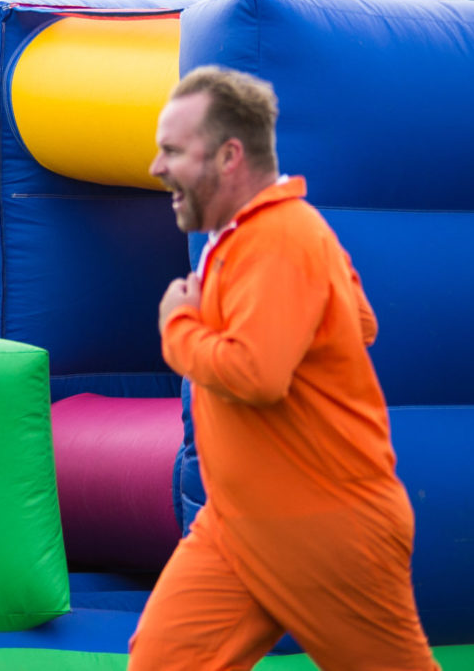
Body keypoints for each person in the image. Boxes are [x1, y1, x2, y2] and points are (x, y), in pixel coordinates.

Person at [131, 66, 436, 670]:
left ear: (229, 156)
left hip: (327, 530)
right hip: (239, 527)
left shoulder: (281, 237)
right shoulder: (261, 234)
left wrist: (179, 325)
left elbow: (257, 374)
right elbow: (360, 322)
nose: (155, 167)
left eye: (172, 150)